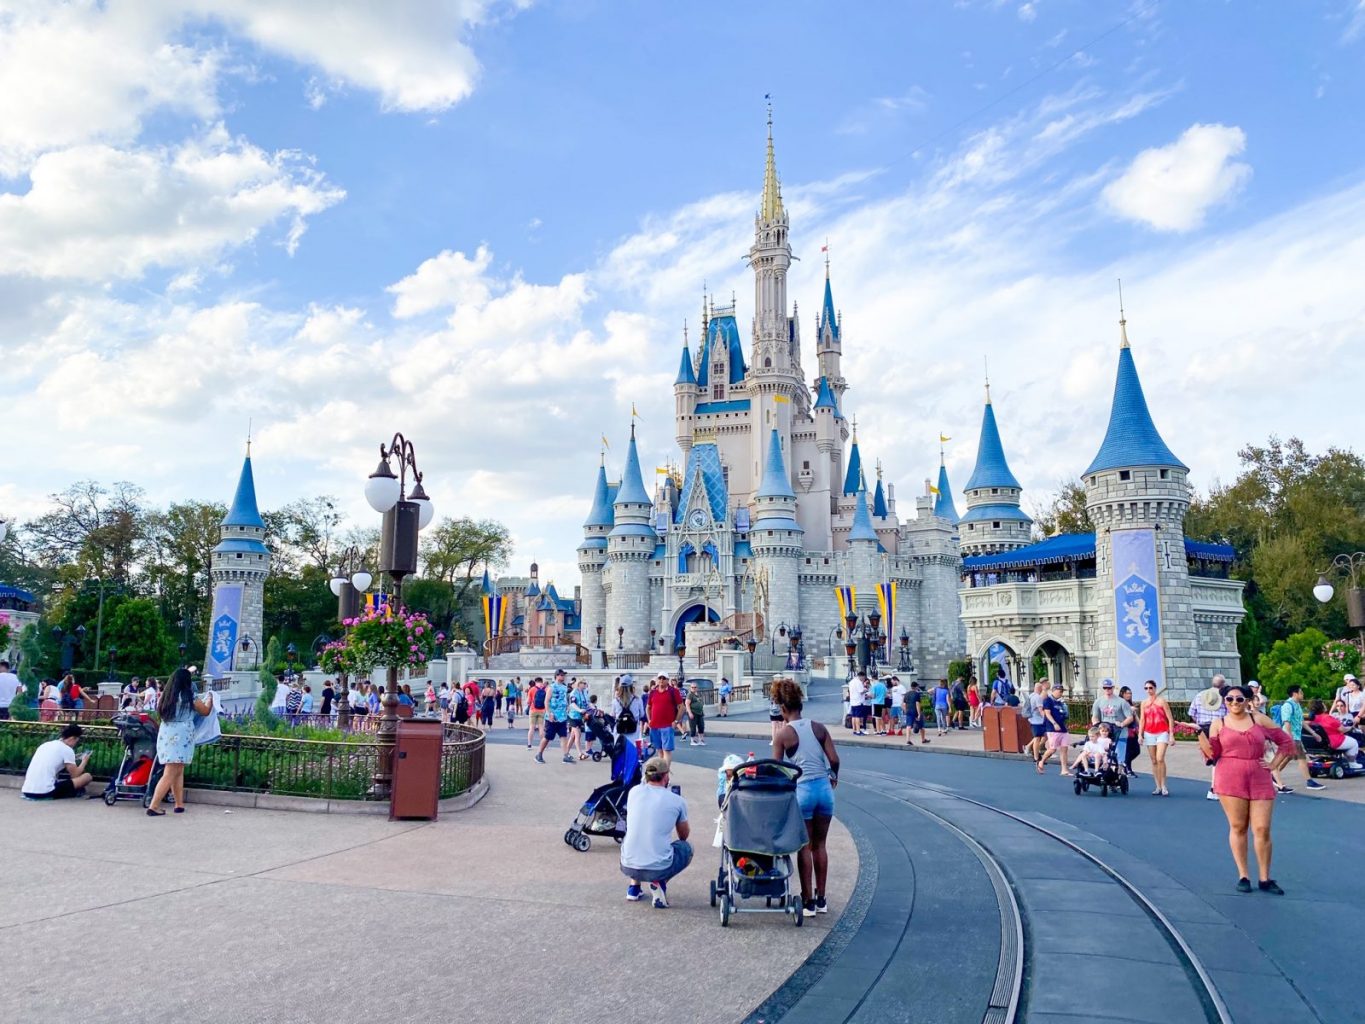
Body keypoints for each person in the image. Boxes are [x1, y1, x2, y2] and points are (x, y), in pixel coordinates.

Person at [1198, 683, 1294, 894]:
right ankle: (1243, 875)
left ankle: (1265, 878)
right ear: (1224, 702)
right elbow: (1213, 754)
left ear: (1248, 700)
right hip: (1230, 777)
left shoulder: (1258, 719)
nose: (1234, 703)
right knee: (1238, 826)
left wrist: (1274, 764)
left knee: (1262, 828)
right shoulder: (1218, 723)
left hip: (1259, 776)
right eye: (1229, 699)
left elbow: (1286, 743)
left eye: (1239, 699)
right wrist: (1199, 734)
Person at [771, 677, 839, 917]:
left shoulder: (782, 735)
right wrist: (833, 778)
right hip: (824, 790)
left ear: (783, 708)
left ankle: (808, 901)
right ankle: (822, 899)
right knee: (821, 845)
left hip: (804, 792)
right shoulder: (819, 727)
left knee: (805, 847)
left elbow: (776, 770)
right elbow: (834, 760)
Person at [620, 756, 692, 908]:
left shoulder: (633, 792)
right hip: (657, 867)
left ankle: (634, 888)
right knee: (686, 848)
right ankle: (660, 883)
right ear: (666, 776)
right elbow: (683, 836)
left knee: (638, 837)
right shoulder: (677, 801)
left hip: (627, 864)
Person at [146, 668, 213, 816]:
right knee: (170, 772)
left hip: (166, 733)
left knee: (177, 769)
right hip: (182, 735)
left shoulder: (166, 696)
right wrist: (210, 700)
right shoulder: (188, 696)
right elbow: (205, 711)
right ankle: (154, 805)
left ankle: (179, 804)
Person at [1274, 685, 1326, 792]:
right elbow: (1286, 723)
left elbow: (1301, 721)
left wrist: (1313, 733)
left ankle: (1274, 776)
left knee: (1287, 757)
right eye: (1301, 692)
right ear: (1295, 693)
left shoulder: (1297, 705)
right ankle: (1309, 781)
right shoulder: (1287, 706)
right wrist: (1290, 738)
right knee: (1302, 758)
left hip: (1295, 736)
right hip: (1290, 737)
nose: (1303, 694)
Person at [22, 723, 94, 799]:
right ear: (72, 738)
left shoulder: (45, 745)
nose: (75, 744)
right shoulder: (67, 750)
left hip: (27, 790)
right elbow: (75, 775)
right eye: (76, 741)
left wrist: (74, 757)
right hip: (46, 792)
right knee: (87, 777)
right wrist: (84, 761)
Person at [1190, 676, 1229, 800]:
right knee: (1219, 759)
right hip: (1218, 729)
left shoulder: (1200, 695)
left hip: (1202, 727)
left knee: (1215, 758)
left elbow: (1192, 713)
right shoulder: (1224, 698)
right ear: (1223, 685)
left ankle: (1215, 786)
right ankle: (1214, 788)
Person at [1137, 680, 1175, 796]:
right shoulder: (1144, 703)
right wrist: (1140, 734)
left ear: (1155, 688)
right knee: (1153, 760)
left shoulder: (1162, 701)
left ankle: (1163, 785)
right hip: (1149, 733)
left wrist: (1171, 734)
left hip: (1162, 732)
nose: (1149, 690)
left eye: (1150, 688)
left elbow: (1170, 718)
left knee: (1160, 758)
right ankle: (1157, 786)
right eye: (1146, 688)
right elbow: (1142, 719)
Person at [1090, 680, 1134, 771]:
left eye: (1109, 688)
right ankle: (1102, 770)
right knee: (1104, 753)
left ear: (1113, 688)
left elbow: (1130, 718)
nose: (1107, 690)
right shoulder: (1098, 701)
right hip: (1105, 732)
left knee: (1118, 757)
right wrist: (1096, 723)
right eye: (1105, 688)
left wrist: (1122, 724)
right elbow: (1094, 716)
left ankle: (1119, 773)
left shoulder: (1122, 702)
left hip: (1119, 733)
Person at [535, 672, 573, 765]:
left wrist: (567, 707)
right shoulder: (551, 687)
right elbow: (546, 701)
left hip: (562, 717)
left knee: (563, 736)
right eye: (561, 675)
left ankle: (565, 755)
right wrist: (549, 713)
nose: (563, 676)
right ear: (556, 676)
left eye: (563, 675)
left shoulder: (564, 688)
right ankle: (539, 754)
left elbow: (565, 699)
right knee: (548, 737)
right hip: (552, 717)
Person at [647, 675, 684, 767]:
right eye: (660, 678)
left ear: (668, 680)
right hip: (654, 726)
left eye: (664, 678)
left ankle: (665, 774)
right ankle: (661, 773)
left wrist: (676, 721)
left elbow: (682, 707)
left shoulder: (673, 691)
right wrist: (649, 720)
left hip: (667, 726)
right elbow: (648, 707)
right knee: (659, 750)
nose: (661, 680)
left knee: (666, 751)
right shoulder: (653, 692)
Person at [1036, 682, 1071, 775]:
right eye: (1060, 691)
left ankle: (1064, 769)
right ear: (1054, 690)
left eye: (1062, 691)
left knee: (1064, 749)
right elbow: (1047, 713)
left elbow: (1064, 714)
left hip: (1062, 728)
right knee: (1052, 749)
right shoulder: (1048, 700)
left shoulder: (1060, 702)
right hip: (1052, 728)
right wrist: (1054, 723)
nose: (1061, 693)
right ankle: (1041, 761)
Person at [612, 677, 644, 753]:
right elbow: (642, 714)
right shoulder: (637, 699)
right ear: (631, 686)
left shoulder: (615, 700)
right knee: (633, 752)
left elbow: (613, 714)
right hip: (633, 729)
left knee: (620, 753)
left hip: (620, 730)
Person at [567, 678, 591, 758]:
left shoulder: (584, 692)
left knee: (573, 736)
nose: (585, 685)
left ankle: (566, 752)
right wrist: (579, 710)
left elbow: (587, 702)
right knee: (578, 734)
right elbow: (572, 704)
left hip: (580, 716)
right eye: (583, 683)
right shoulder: (574, 693)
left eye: (585, 683)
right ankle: (580, 753)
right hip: (573, 716)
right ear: (579, 683)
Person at [1025, 681, 1048, 760]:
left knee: (1043, 736)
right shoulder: (1037, 697)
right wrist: (1046, 718)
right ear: (1039, 688)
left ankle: (1032, 750)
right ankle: (1036, 756)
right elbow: (1040, 710)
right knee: (1037, 738)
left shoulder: (1031, 695)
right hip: (1037, 720)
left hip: (1032, 719)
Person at [526, 676, 547, 748]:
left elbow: (528, 702)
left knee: (532, 728)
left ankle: (529, 744)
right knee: (541, 728)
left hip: (533, 710)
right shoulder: (545, 689)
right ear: (541, 681)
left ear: (535, 682)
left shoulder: (532, 689)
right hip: (542, 710)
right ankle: (543, 745)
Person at [847, 671, 869, 735]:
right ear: (861, 676)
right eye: (864, 678)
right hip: (858, 701)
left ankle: (854, 730)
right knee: (857, 717)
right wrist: (865, 689)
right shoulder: (858, 682)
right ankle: (858, 730)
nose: (864, 679)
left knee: (853, 716)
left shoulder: (851, 682)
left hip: (853, 701)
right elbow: (861, 691)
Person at [686, 682, 706, 747]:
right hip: (693, 712)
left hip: (700, 713)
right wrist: (690, 713)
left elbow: (701, 702)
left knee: (701, 726)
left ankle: (701, 740)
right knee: (693, 727)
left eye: (695, 687)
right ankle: (693, 740)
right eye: (692, 687)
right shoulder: (690, 695)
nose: (694, 688)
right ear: (690, 688)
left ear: (697, 688)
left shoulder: (698, 694)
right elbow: (687, 704)